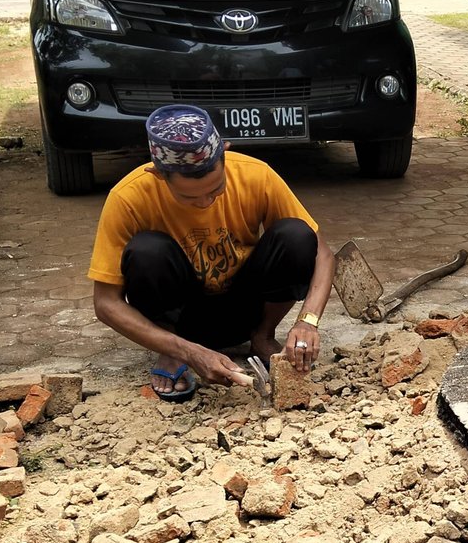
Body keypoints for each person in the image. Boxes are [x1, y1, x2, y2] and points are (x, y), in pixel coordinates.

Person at [88, 104, 336, 401]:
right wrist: (185, 349)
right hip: (183, 318)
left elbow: (323, 254)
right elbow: (105, 303)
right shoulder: (128, 198)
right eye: (189, 197)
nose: (206, 202)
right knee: (147, 251)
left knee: (296, 235)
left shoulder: (255, 175)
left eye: (216, 189)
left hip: (248, 308)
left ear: (225, 152)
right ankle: (170, 352)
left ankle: (263, 336)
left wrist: (307, 322)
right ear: (158, 174)